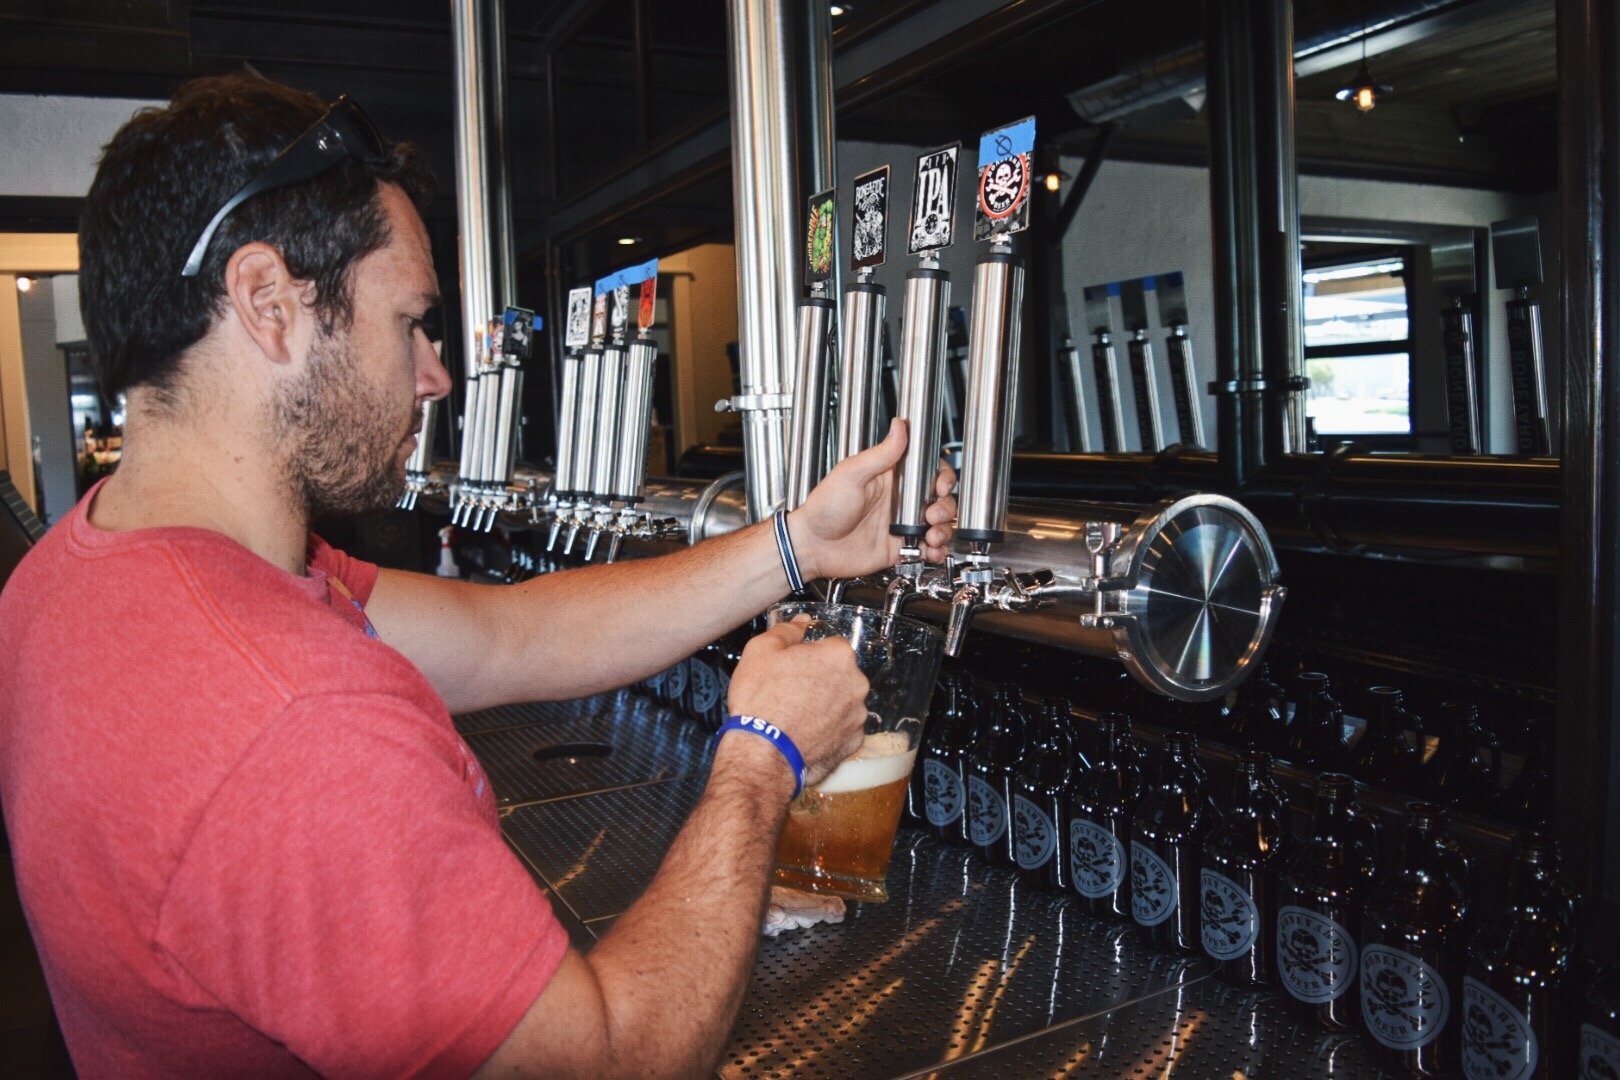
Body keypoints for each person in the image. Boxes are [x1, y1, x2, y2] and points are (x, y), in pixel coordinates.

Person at [0, 75, 957, 1078]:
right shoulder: (298, 722)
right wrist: (764, 761)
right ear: (268, 303)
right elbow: (608, 1063)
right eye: (409, 320)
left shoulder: (80, 574)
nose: (436, 374)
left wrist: (801, 543)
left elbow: (515, 636)